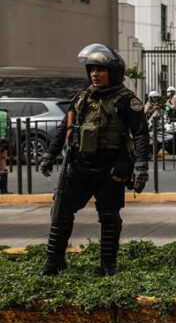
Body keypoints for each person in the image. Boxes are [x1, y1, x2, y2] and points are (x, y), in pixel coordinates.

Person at [38, 43, 149, 277]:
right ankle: (54, 262)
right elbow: (64, 129)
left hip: (111, 169)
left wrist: (140, 169)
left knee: (109, 217)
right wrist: (50, 155)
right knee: (60, 212)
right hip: (79, 167)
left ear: (113, 72)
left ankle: (108, 264)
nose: (94, 74)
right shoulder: (81, 99)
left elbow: (140, 135)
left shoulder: (127, 101)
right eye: (92, 70)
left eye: (100, 69)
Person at [0, 105, 10, 194]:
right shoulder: (5, 114)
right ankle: (3, 190)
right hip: (2, 140)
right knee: (3, 161)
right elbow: (8, 128)